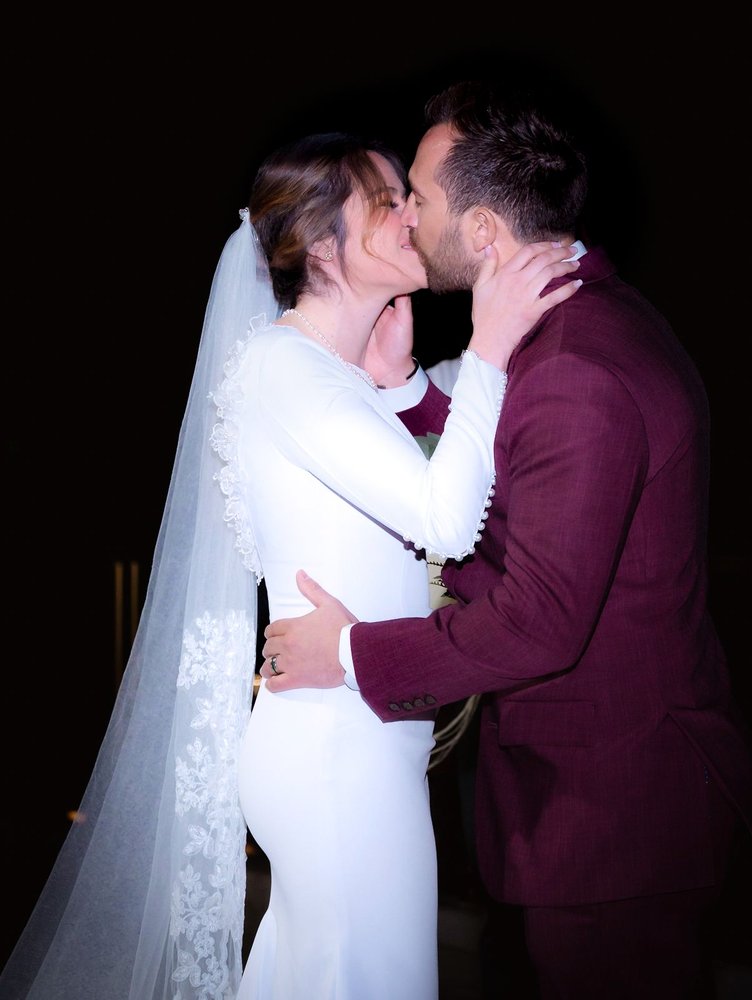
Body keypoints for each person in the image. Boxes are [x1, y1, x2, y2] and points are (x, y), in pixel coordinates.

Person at [0, 129, 579, 1000]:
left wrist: (402, 382)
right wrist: (490, 344)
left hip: (352, 750)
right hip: (334, 761)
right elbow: (446, 518)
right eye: (386, 201)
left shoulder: (331, 378)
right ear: (321, 247)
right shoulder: (285, 369)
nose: (411, 215)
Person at [261, 81, 752, 999]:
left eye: (418, 196)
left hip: (613, 812)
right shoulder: (584, 322)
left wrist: (347, 652)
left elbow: (540, 617)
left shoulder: (574, 364)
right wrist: (413, 392)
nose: (406, 216)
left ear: (485, 232)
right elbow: (530, 483)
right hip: (607, 799)